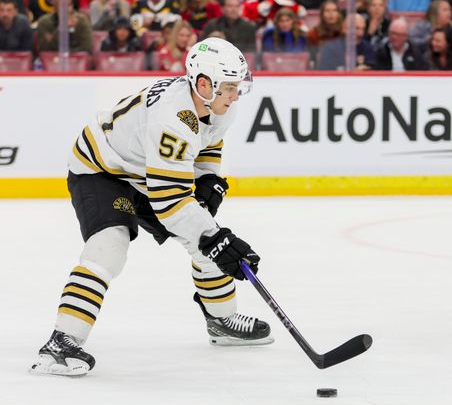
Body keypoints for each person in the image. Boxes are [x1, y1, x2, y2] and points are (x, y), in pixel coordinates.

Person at [30, 38, 272, 377]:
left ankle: (221, 320)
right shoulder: (172, 120)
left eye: (237, 86)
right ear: (204, 84)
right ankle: (61, 342)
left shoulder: (218, 105)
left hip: (144, 168)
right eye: (230, 87)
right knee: (110, 246)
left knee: (205, 238)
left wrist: (206, 180)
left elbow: (209, 141)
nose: (236, 95)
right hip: (102, 169)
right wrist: (215, 236)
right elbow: (169, 202)